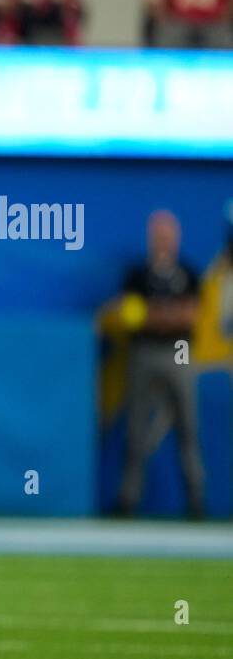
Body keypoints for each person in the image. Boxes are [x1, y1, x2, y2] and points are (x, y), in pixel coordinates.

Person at [113, 211, 204, 518]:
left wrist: (156, 316)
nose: (163, 241)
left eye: (168, 235)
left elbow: (191, 315)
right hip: (144, 352)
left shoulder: (189, 273)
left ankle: (196, 501)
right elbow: (129, 315)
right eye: (158, 235)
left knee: (187, 427)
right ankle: (128, 499)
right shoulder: (137, 275)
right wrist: (167, 315)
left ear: (176, 238)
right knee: (136, 428)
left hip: (179, 350)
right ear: (151, 238)